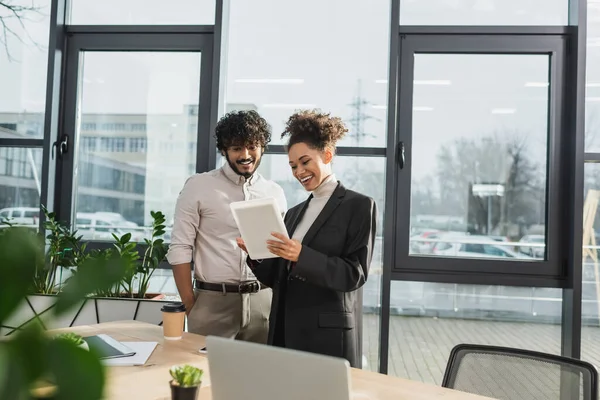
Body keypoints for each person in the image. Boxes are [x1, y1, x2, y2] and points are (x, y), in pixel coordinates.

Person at [237, 109, 377, 367]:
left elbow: (354, 274)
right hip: (285, 331)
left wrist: (302, 255)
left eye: (305, 162)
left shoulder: (359, 206)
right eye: (292, 166)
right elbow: (278, 278)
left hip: (327, 337)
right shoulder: (293, 214)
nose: (299, 171)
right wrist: (255, 254)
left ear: (327, 154)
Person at [167, 110, 287, 344]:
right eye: (236, 148)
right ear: (224, 150)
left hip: (262, 302)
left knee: (257, 377)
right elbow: (180, 247)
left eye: (252, 146)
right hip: (212, 302)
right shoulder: (199, 186)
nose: (245, 155)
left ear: (262, 147)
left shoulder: (275, 192)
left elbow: (280, 252)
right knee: (205, 376)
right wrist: (191, 305)